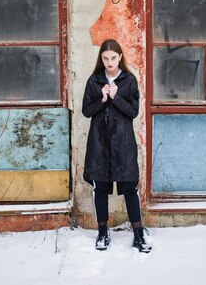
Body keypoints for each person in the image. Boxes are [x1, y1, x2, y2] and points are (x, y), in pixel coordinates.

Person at [82, 38, 152, 253]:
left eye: (113, 58)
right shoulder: (94, 81)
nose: (109, 62)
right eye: (105, 58)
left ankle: (138, 233)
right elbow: (86, 111)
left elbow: (133, 112)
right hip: (99, 142)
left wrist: (116, 96)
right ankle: (103, 232)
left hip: (123, 143)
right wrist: (101, 100)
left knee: (129, 187)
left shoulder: (129, 81)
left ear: (120, 57)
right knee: (100, 187)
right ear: (101, 58)